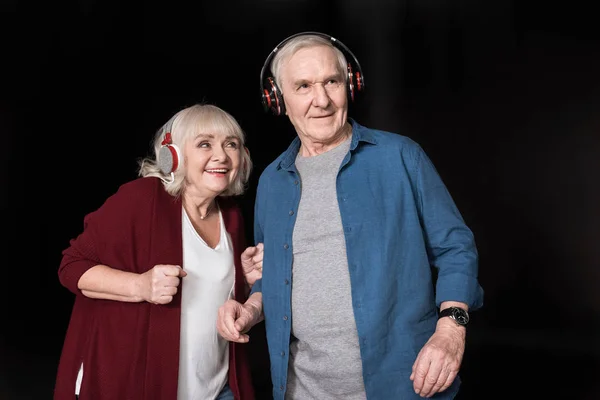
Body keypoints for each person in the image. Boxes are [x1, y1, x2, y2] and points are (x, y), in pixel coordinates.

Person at [217, 32, 484, 400]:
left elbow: (455, 249)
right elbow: (273, 280)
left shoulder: (401, 157)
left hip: (404, 385)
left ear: (350, 85)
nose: (321, 100)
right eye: (304, 86)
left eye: (332, 81)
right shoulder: (272, 183)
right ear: (278, 99)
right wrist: (249, 310)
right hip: (303, 390)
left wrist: (451, 331)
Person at [54, 103, 262, 400]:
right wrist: (139, 285)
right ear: (174, 155)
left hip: (217, 389)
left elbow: (214, 299)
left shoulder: (230, 216)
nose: (222, 156)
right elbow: (71, 266)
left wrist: (245, 279)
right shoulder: (142, 199)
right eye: (205, 144)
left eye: (232, 144)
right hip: (141, 386)